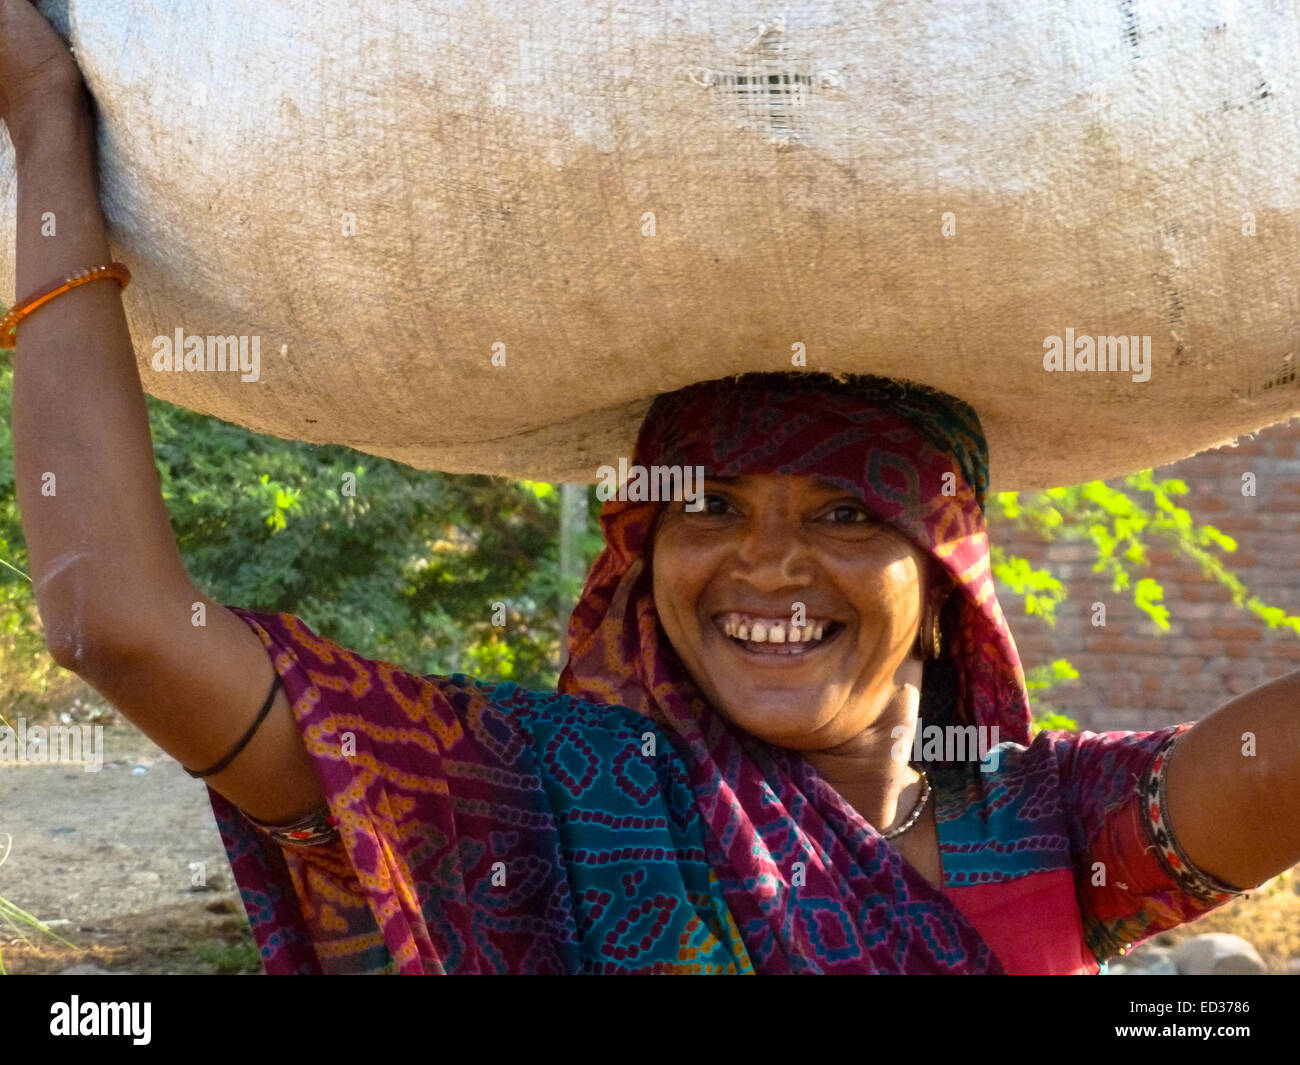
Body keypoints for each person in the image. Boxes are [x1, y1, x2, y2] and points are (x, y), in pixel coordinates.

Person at [4, 0, 1298, 975]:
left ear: (947, 568)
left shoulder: (1043, 821)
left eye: (848, 512)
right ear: (640, 553)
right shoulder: (527, 792)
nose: (769, 563)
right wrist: (48, 119)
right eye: (710, 507)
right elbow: (112, 619)